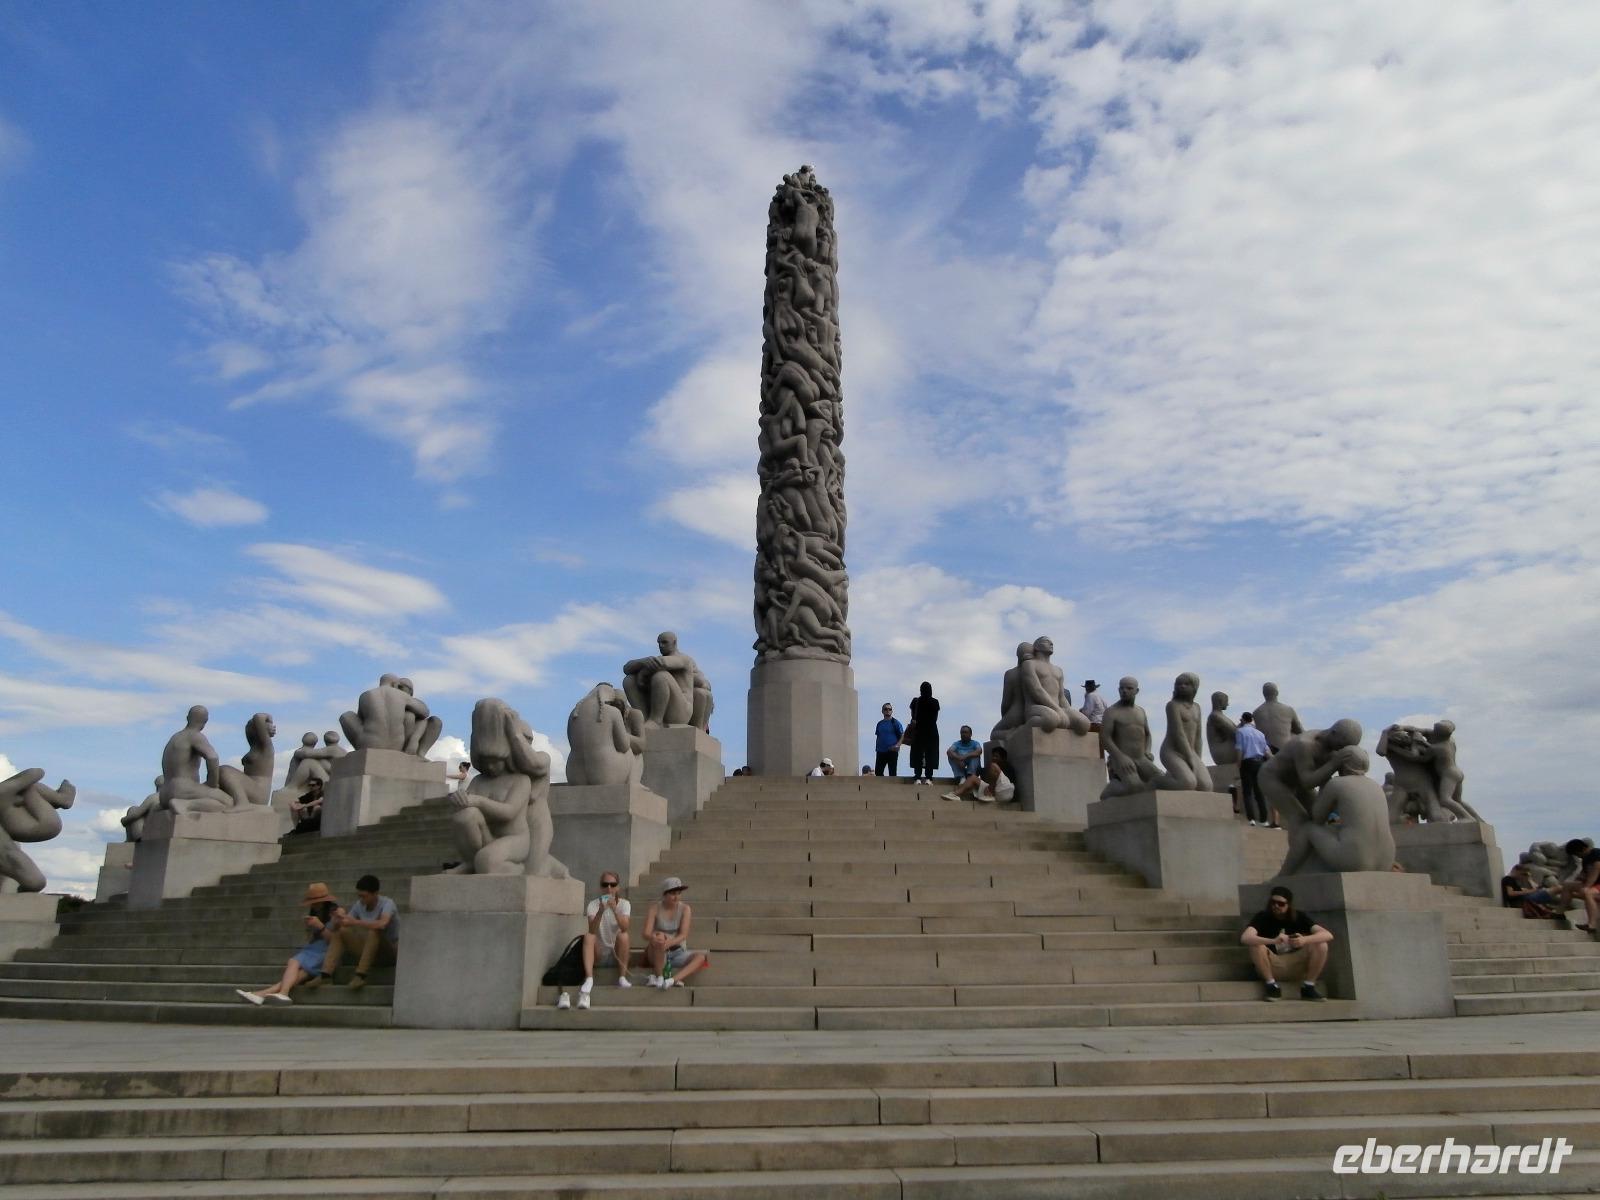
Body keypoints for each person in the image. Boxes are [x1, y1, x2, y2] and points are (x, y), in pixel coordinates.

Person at [236, 882, 344, 1005]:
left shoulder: (337, 912)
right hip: (314, 948)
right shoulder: (315, 912)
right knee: (295, 964)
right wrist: (310, 928)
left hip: (328, 951)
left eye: (316, 902)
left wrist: (320, 926)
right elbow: (312, 939)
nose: (313, 905)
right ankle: (275, 993)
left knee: (302, 970)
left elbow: (336, 941)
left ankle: (267, 993)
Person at [1240, 885, 1332, 1002]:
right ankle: (1271, 985)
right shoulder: (1262, 916)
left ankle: (1309, 986)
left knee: (1321, 944)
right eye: (1273, 902)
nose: (1276, 906)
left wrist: (1304, 940)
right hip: (1272, 964)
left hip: (1296, 964)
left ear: (1289, 905)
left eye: (1281, 903)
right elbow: (1245, 938)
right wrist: (1273, 941)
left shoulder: (1299, 917)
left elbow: (1328, 935)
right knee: (1255, 945)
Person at [560, 869, 633, 1010]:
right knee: (588, 936)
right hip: (599, 953)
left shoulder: (624, 904)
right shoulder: (593, 905)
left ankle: (622, 977)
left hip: (616, 952)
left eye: (613, 884)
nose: (609, 888)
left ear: (618, 887)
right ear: (601, 887)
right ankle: (589, 978)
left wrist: (614, 910)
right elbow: (592, 930)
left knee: (624, 936)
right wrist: (601, 911)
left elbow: (625, 927)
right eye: (605, 885)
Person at [317, 874, 398, 990]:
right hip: (367, 951)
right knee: (341, 932)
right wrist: (338, 918)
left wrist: (355, 922)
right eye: (359, 896)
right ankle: (325, 974)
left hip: (388, 953)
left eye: (364, 896)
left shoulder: (387, 903)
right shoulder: (359, 905)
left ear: (375, 894)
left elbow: (382, 923)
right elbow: (346, 922)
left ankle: (360, 975)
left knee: (375, 930)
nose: (361, 899)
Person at [643, 877, 709, 989]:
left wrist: (670, 942)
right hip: (657, 951)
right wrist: (655, 938)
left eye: (679, 893)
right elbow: (645, 933)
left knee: (700, 957)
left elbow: (683, 934)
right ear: (665, 894)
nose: (676, 897)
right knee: (660, 938)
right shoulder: (655, 908)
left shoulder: (685, 909)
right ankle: (660, 977)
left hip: (677, 951)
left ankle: (673, 979)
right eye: (673, 893)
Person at [943, 745, 1016, 804]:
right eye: (993, 756)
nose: (993, 758)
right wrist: (959, 761)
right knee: (973, 778)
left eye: (996, 756)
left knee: (993, 766)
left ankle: (990, 794)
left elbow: (1008, 785)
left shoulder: (1007, 768)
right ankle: (955, 794)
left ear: (1003, 759)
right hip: (992, 793)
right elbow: (977, 772)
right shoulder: (989, 768)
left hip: (1003, 792)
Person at [1235, 712, 1271, 827]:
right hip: (1259, 762)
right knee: (1259, 792)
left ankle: (1251, 819)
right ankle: (1264, 819)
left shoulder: (1240, 731)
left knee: (1247, 792)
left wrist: (1238, 764)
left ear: (1243, 720)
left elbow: (1239, 749)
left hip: (1247, 762)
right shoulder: (1260, 733)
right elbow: (1266, 751)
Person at [1559, 838, 1600, 934]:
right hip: (1594, 885)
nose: (1579, 857)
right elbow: (1583, 874)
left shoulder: (1596, 853)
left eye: (1578, 854)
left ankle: (1591, 924)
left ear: (1583, 849)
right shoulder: (1585, 859)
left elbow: (1597, 869)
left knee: (1588, 893)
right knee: (1567, 886)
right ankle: (1560, 912)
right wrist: (1578, 880)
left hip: (1597, 884)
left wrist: (1587, 886)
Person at [907, 682, 941, 783]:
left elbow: (913, 716)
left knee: (917, 753)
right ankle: (928, 777)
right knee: (930, 754)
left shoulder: (916, 701)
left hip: (918, 730)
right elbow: (935, 718)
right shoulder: (935, 702)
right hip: (931, 730)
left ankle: (917, 776)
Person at [873, 703, 905, 777]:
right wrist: (877, 748)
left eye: (889, 709)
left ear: (891, 711)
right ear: (882, 711)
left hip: (892, 751)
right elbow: (878, 736)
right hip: (880, 751)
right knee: (878, 772)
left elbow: (902, 735)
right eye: (886, 709)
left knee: (892, 772)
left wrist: (897, 745)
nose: (888, 710)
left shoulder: (895, 722)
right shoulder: (879, 724)